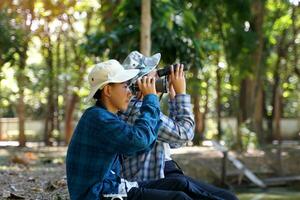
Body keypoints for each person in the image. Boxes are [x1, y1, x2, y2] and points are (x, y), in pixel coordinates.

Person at [66, 59, 198, 200]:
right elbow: (140, 140)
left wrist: (150, 100)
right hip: (99, 194)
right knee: (179, 198)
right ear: (108, 90)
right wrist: (150, 98)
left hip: (111, 186)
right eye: (125, 86)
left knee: (178, 183)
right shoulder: (98, 118)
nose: (130, 92)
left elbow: (138, 147)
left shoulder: (104, 116)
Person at [120, 51, 238, 200]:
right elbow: (184, 135)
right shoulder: (138, 110)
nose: (158, 77)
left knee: (227, 196)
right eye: (154, 74)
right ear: (140, 82)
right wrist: (182, 93)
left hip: (168, 173)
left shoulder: (141, 107)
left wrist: (174, 96)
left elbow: (174, 142)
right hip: (160, 178)